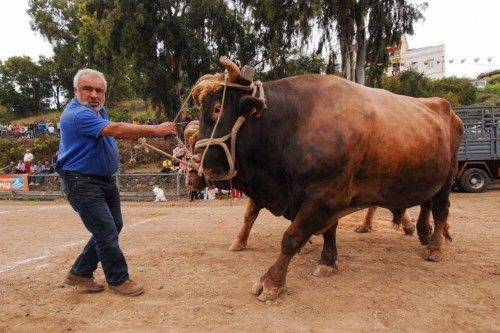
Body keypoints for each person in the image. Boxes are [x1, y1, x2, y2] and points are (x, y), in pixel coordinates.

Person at [56, 68, 176, 296]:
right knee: (106, 231)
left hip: (103, 180)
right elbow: (116, 129)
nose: (94, 94)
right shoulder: (78, 115)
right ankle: (118, 280)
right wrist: (155, 130)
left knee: (112, 227)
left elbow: (113, 131)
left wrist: (138, 134)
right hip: (82, 182)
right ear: (75, 90)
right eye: (87, 89)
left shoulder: (99, 112)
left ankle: (80, 273)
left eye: (99, 90)